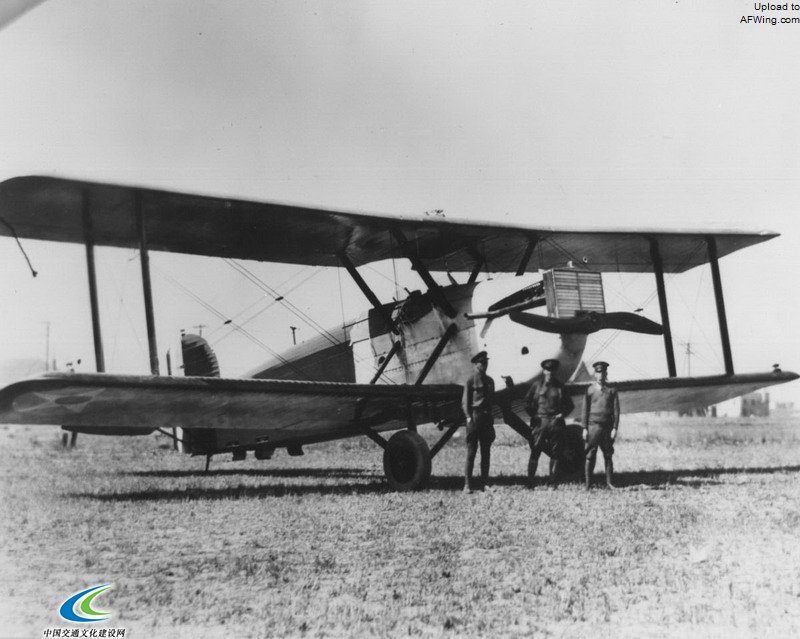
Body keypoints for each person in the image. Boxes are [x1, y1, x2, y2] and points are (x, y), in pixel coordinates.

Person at [524, 358, 573, 489]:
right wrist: (534, 416)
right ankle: (530, 482)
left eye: (552, 370)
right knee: (535, 452)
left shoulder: (560, 387)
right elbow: (527, 403)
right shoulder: (536, 385)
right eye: (547, 370)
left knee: (555, 454)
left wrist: (561, 415)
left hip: (555, 423)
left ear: (555, 371)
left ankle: (552, 482)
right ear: (544, 371)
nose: (549, 372)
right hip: (540, 423)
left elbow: (570, 405)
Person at [582, 361, 620, 489]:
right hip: (593, 427)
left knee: (608, 455)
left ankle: (609, 483)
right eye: (598, 373)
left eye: (603, 373)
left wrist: (615, 428)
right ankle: (588, 484)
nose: (600, 375)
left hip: (607, 427)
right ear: (595, 374)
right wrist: (584, 428)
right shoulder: (590, 390)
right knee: (590, 455)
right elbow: (584, 410)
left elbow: (616, 411)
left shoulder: (612, 390)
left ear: (606, 374)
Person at [462, 351, 495, 493]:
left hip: (486, 419)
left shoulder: (490, 381)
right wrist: (469, 418)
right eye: (482, 363)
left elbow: (491, 402)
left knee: (486, 453)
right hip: (474, 419)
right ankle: (467, 485)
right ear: (476, 364)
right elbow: (465, 402)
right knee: (471, 453)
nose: (485, 365)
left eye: (486, 362)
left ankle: (485, 484)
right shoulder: (470, 381)